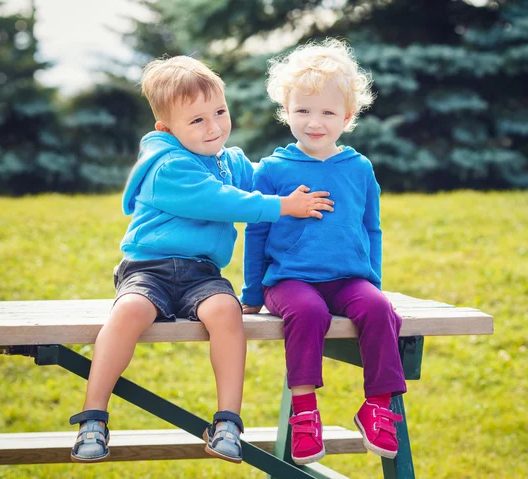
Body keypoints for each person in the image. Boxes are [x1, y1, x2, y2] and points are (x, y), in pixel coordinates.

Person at [69, 55, 334, 465]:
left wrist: (309, 162)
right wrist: (283, 206)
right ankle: (94, 418)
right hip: (149, 269)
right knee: (130, 311)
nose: (213, 127)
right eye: (197, 121)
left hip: (202, 275)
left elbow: (263, 176)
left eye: (219, 113)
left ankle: (227, 422)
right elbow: (222, 202)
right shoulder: (169, 166)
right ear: (167, 129)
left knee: (227, 312)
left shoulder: (229, 161)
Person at [241, 38, 407, 465]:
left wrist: (373, 282)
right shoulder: (273, 170)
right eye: (303, 111)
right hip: (289, 280)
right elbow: (256, 232)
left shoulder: (359, 168)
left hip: (349, 278)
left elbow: (372, 228)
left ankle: (377, 406)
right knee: (309, 313)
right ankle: (305, 411)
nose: (314, 122)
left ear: (347, 117)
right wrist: (253, 294)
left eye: (328, 112)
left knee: (380, 310)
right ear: (286, 110)